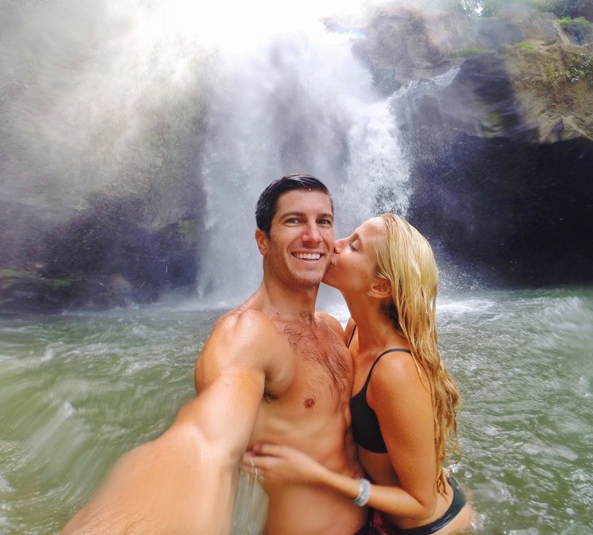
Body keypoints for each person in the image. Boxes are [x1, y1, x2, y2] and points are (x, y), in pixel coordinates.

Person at [62, 174, 370, 534]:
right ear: (262, 241)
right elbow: (203, 441)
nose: (313, 236)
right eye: (293, 221)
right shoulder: (248, 333)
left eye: (324, 222)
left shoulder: (331, 328)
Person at [244, 213, 474, 534]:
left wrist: (314, 474)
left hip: (426, 526)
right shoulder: (354, 330)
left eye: (353, 246)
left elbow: (421, 503)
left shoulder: (394, 370)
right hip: (382, 511)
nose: (333, 245)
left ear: (380, 286)